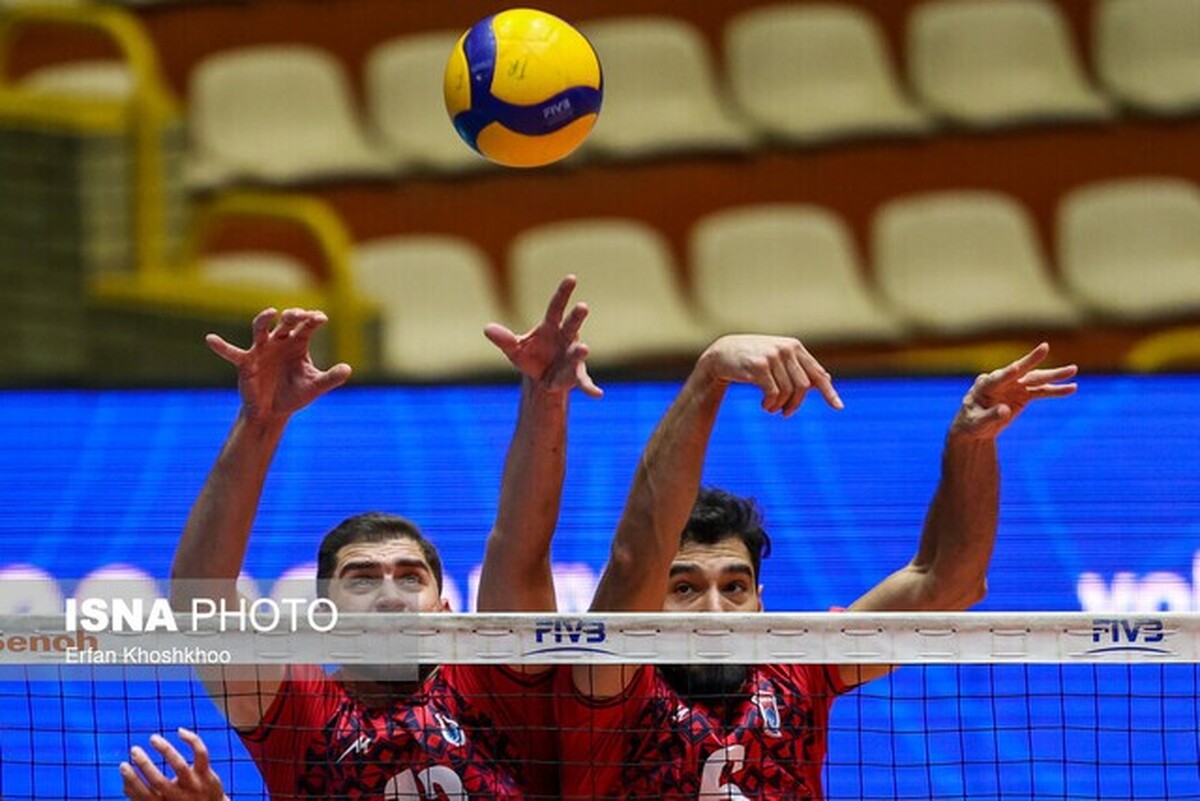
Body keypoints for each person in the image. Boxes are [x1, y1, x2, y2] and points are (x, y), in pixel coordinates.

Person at [120, 276, 600, 799]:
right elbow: (200, 600)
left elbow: (520, 549)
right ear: (323, 613)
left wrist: (546, 397)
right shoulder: (302, 713)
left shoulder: (495, 685)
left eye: (410, 577)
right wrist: (260, 422)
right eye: (363, 578)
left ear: (443, 609)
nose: (390, 596)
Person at [558, 334, 1078, 799]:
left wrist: (971, 443)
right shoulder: (610, 688)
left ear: (761, 601)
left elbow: (948, 583)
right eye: (685, 588)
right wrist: (710, 373)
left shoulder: (799, 666)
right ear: (649, 603)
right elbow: (633, 558)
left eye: (735, 586)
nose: (714, 611)